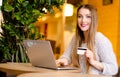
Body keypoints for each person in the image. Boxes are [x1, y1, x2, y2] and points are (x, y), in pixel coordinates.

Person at [56, 4, 118, 76]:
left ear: (93, 19)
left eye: (88, 17)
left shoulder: (100, 39)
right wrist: (64, 60)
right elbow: (67, 56)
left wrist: (93, 62)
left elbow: (113, 69)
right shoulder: (76, 38)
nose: (83, 20)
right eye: (80, 16)